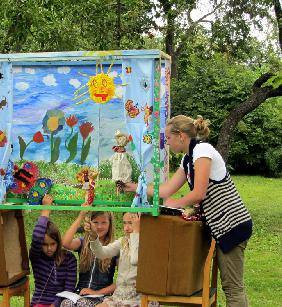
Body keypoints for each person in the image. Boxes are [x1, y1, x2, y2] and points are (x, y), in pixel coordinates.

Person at [145, 115, 252, 307]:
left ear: (181, 136)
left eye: (168, 138)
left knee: (232, 288)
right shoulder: (188, 159)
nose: (167, 143)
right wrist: (136, 187)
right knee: (226, 287)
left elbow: (199, 192)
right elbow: (167, 190)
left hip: (232, 225)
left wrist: (176, 204)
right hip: (221, 227)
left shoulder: (202, 150)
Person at [60, 210, 117, 307]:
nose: (99, 226)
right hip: (80, 292)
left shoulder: (114, 247)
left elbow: (122, 281)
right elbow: (65, 243)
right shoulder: (83, 242)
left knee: (83, 304)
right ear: (89, 223)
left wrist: (97, 292)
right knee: (66, 303)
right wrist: (80, 216)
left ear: (110, 224)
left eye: (104, 222)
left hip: (101, 295)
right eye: (95, 222)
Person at [30, 194, 77, 307]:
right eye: (45, 244)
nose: (49, 248)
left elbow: (69, 288)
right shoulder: (36, 256)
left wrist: (55, 304)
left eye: (53, 244)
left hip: (61, 303)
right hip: (39, 301)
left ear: (58, 243)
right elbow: (37, 237)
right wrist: (46, 210)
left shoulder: (69, 258)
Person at [86, 212, 141, 307]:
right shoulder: (123, 241)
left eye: (131, 223)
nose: (126, 228)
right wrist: (94, 235)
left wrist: (136, 233)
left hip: (138, 298)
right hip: (119, 296)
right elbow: (101, 253)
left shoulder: (147, 241)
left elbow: (134, 260)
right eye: (124, 223)